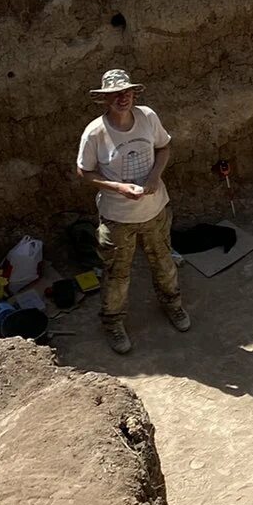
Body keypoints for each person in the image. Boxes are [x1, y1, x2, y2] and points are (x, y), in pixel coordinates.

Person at [75, 69, 189, 355]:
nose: (121, 98)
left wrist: (153, 179)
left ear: (134, 93)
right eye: (114, 94)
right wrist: (118, 187)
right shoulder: (96, 132)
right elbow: (84, 172)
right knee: (117, 274)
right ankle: (113, 323)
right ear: (104, 99)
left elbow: (164, 148)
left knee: (164, 263)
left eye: (126, 92)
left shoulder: (148, 117)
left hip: (155, 209)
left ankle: (172, 305)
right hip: (118, 218)